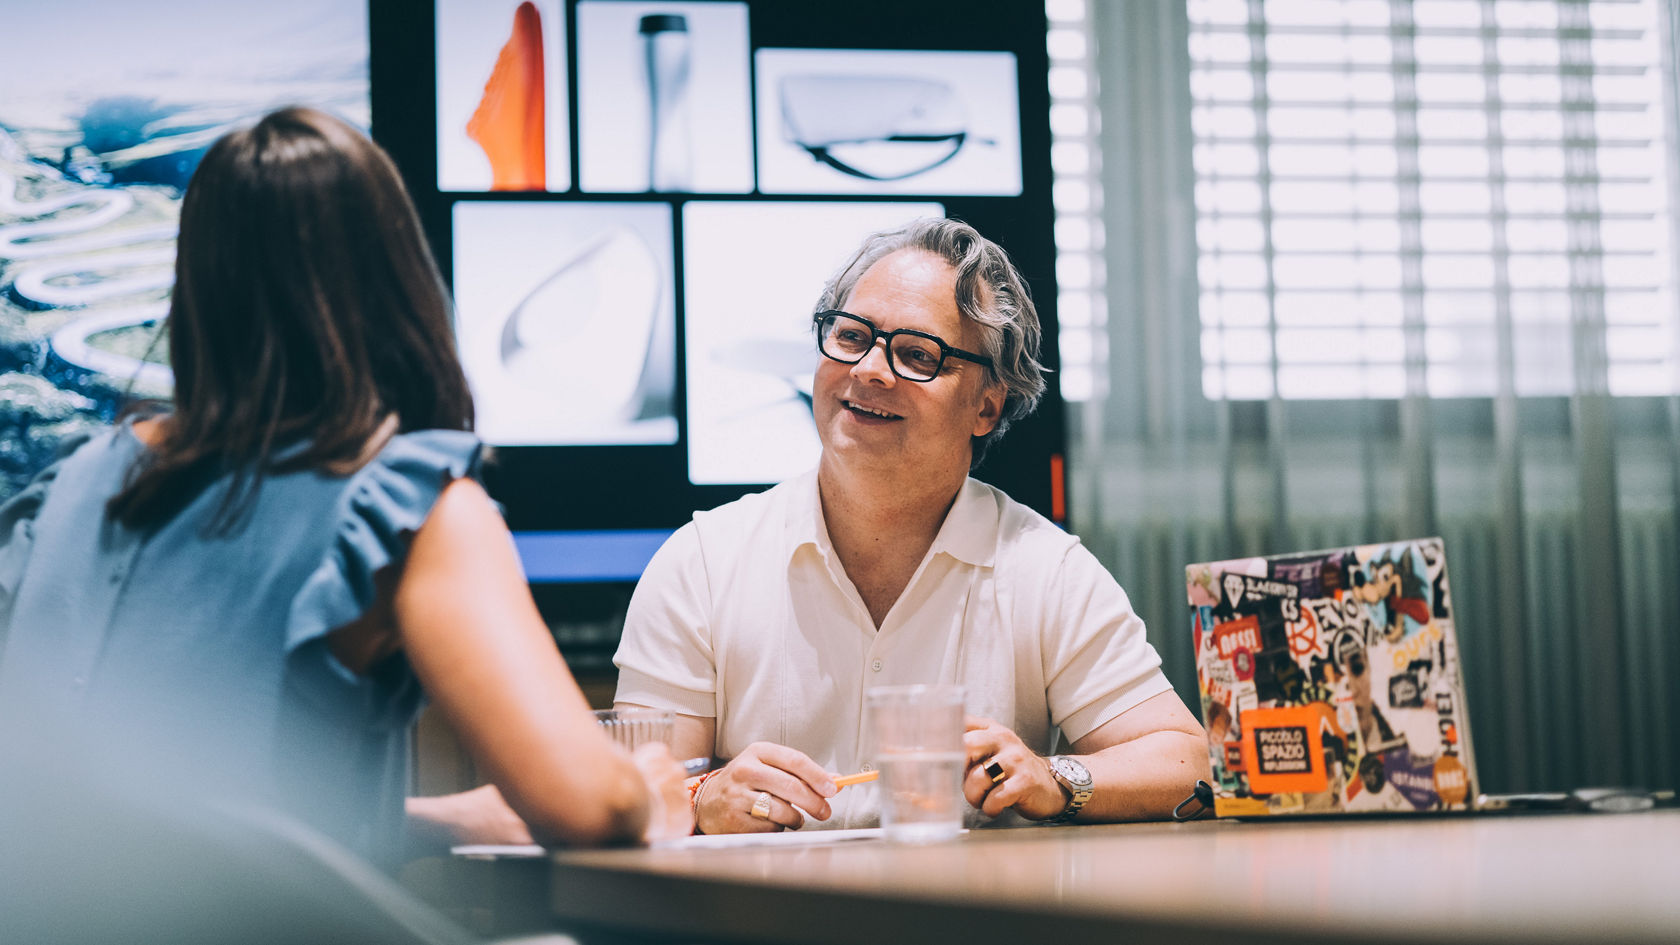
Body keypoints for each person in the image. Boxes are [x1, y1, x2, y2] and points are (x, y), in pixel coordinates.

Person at [0, 107, 688, 865]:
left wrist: (449, 820)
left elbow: (160, 822)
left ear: (195, 285)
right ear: (399, 279)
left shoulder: (71, 487)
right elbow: (586, 807)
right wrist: (649, 789)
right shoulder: (405, 503)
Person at [614, 218, 1210, 834]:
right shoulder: (703, 562)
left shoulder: (1046, 568)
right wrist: (702, 796)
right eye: (851, 337)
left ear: (986, 405)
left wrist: (1053, 778)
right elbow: (630, 793)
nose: (870, 370)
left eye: (917, 355)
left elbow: (1186, 761)